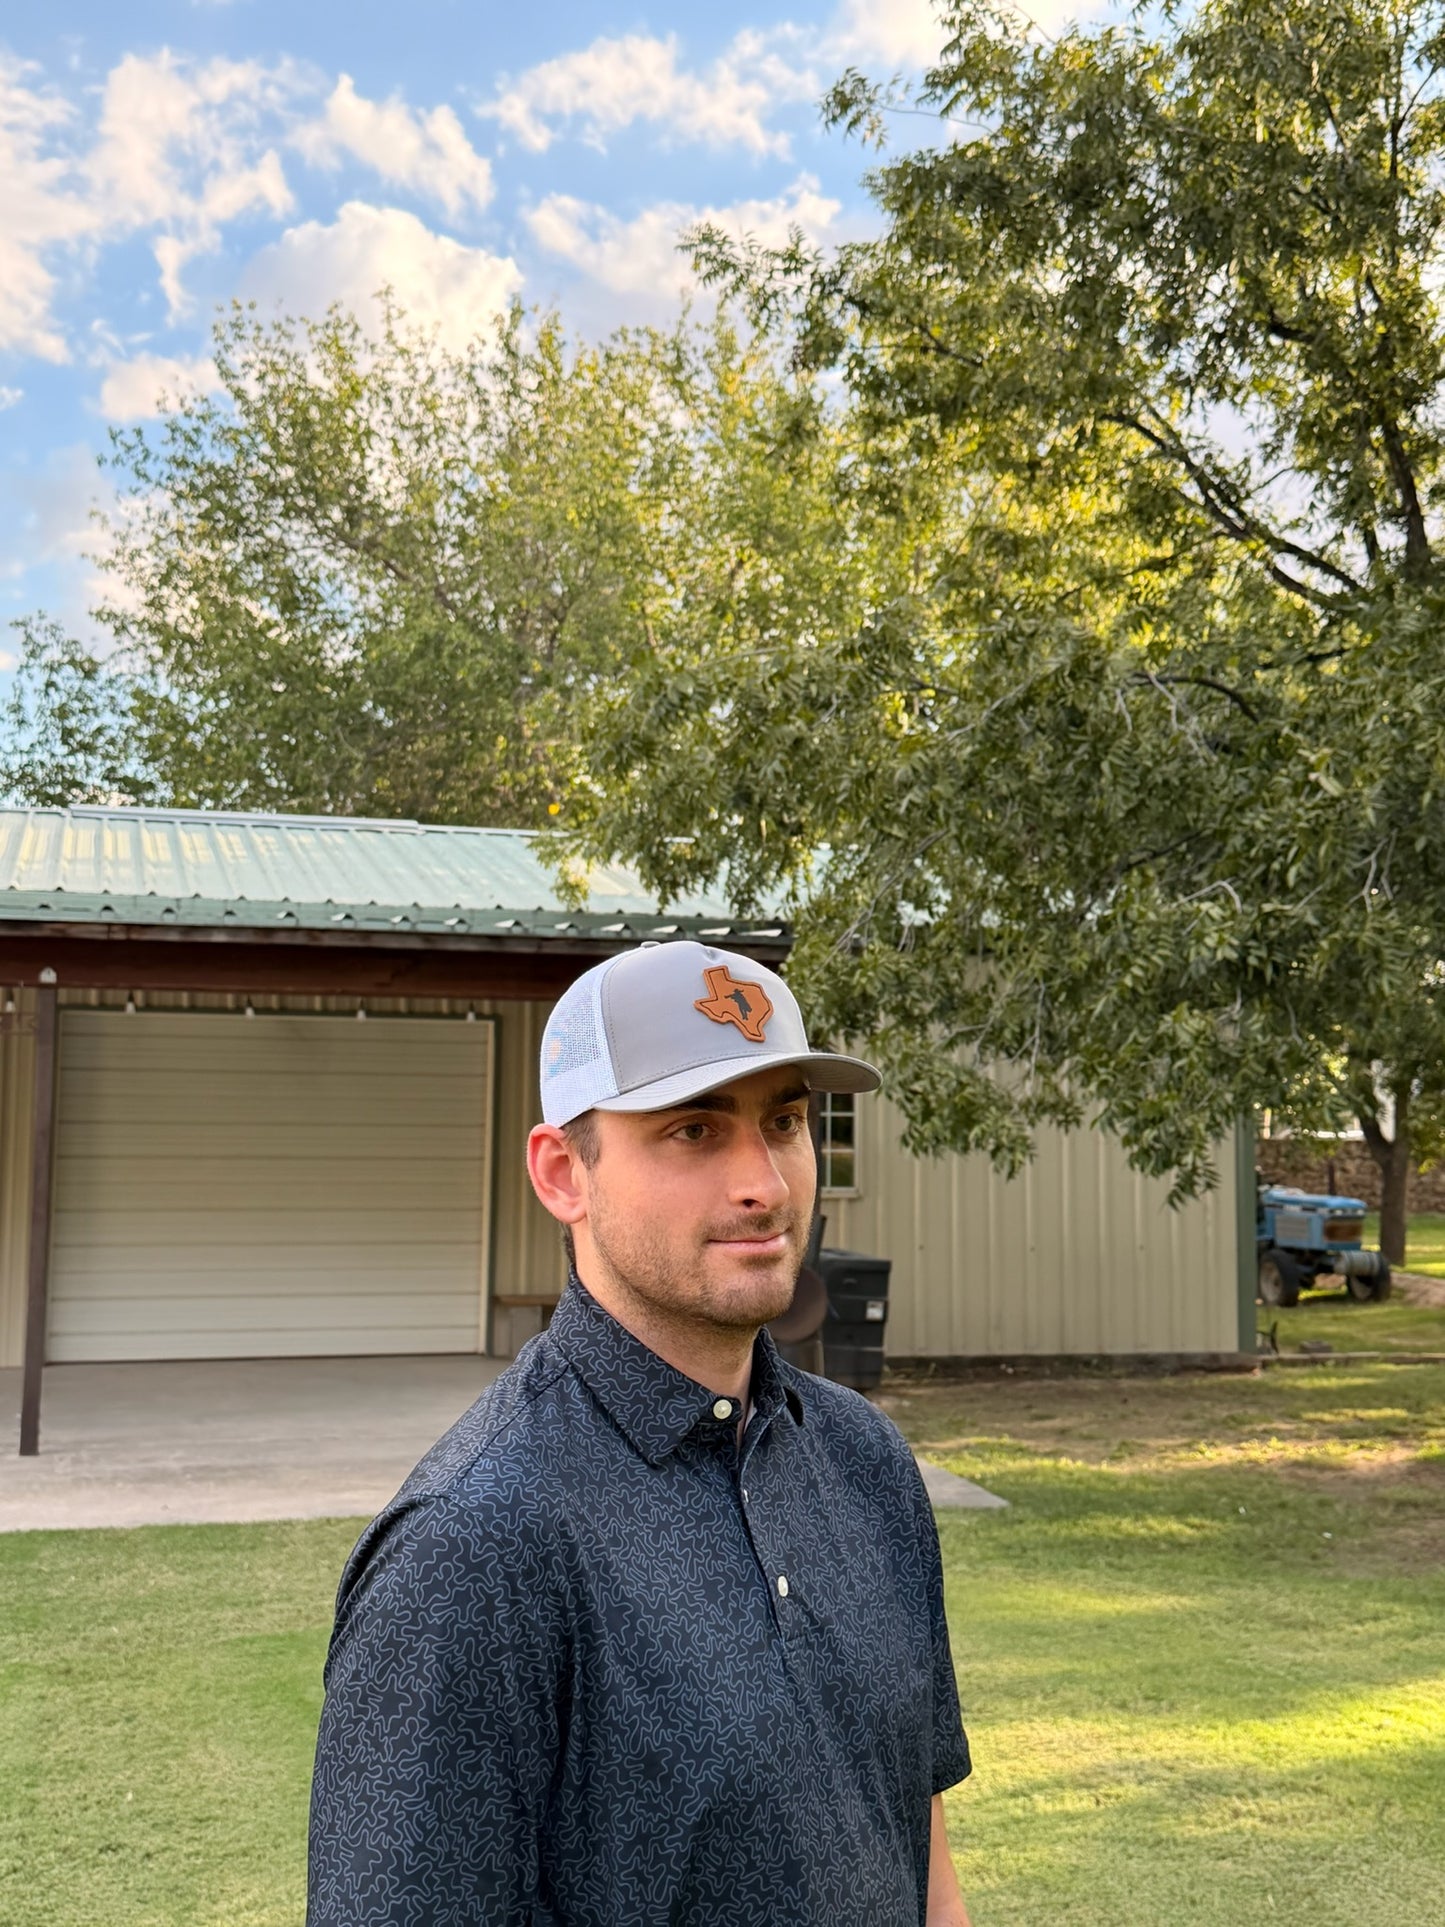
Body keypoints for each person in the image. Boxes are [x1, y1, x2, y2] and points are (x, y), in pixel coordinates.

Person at [308, 939, 973, 1926]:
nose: (766, 1183)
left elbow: (914, 1844)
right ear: (562, 1172)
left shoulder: (864, 1461)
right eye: (694, 1129)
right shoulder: (472, 1548)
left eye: (784, 1120)